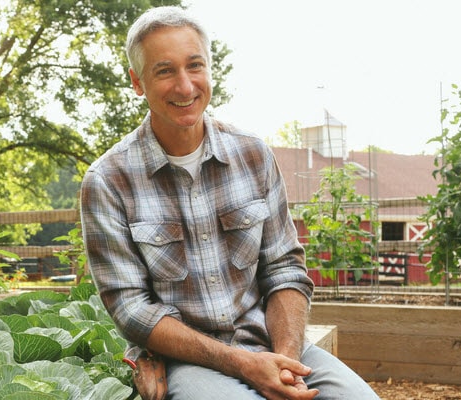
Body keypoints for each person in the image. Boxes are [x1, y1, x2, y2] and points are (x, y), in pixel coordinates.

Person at [79, 6, 380, 400]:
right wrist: (243, 365)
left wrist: (284, 363)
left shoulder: (253, 154)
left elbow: (285, 270)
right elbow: (131, 309)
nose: (185, 86)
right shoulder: (107, 182)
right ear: (138, 82)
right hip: (187, 362)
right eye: (165, 71)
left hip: (274, 344)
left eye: (195, 66)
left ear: (210, 68)